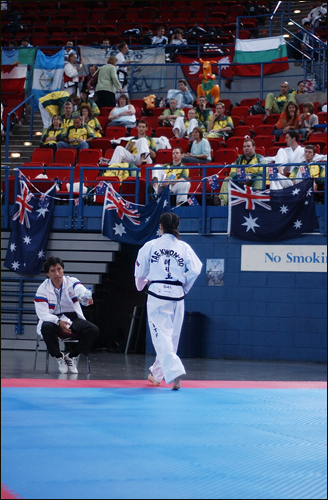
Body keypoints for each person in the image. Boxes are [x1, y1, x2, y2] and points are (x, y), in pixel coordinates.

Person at [134, 212, 202, 390]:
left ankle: (175, 370)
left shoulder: (150, 246)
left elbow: (140, 273)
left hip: (158, 294)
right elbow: (196, 269)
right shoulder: (184, 247)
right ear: (177, 227)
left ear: (160, 226)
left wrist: (141, 285)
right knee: (171, 338)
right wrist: (183, 286)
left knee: (160, 336)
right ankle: (157, 374)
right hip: (177, 295)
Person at [34, 256, 99, 374]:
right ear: (48, 274)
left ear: (63, 270)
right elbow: (42, 314)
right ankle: (59, 357)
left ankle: (71, 356)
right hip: (53, 319)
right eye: (53, 271)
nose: (57, 273)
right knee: (46, 328)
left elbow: (82, 292)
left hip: (72, 317)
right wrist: (58, 322)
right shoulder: (42, 289)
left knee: (93, 330)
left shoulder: (72, 282)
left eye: (59, 269)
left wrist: (87, 297)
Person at [217, 137, 267, 206]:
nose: (246, 148)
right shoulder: (239, 159)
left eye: (248, 146)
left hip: (253, 182)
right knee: (227, 179)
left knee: (260, 179)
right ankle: (222, 202)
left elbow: (262, 173)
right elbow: (232, 173)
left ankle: (256, 202)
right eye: (244, 146)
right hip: (240, 182)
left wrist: (250, 177)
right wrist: (241, 178)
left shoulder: (260, 158)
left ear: (254, 147)